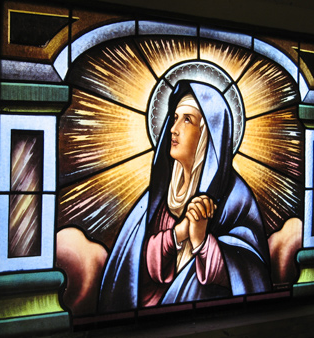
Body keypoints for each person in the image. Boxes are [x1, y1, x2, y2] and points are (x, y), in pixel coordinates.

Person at [98, 80, 271, 313]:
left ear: (208, 133)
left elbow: (249, 274)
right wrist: (177, 234)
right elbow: (135, 266)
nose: (173, 128)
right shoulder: (161, 194)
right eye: (175, 117)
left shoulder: (235, 197)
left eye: (187, 119)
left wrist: (201, 241)